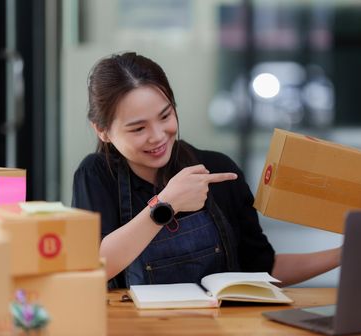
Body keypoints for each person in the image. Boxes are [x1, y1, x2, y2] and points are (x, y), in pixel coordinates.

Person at [72, 52, 341, 289]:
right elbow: (93, 266)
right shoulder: (96, 174)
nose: (157, 136)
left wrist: (343, 254)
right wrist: (167, 204)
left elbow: (263, 269)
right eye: (138, 128)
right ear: (103, 131)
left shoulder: (218, 169)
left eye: (165, 116)